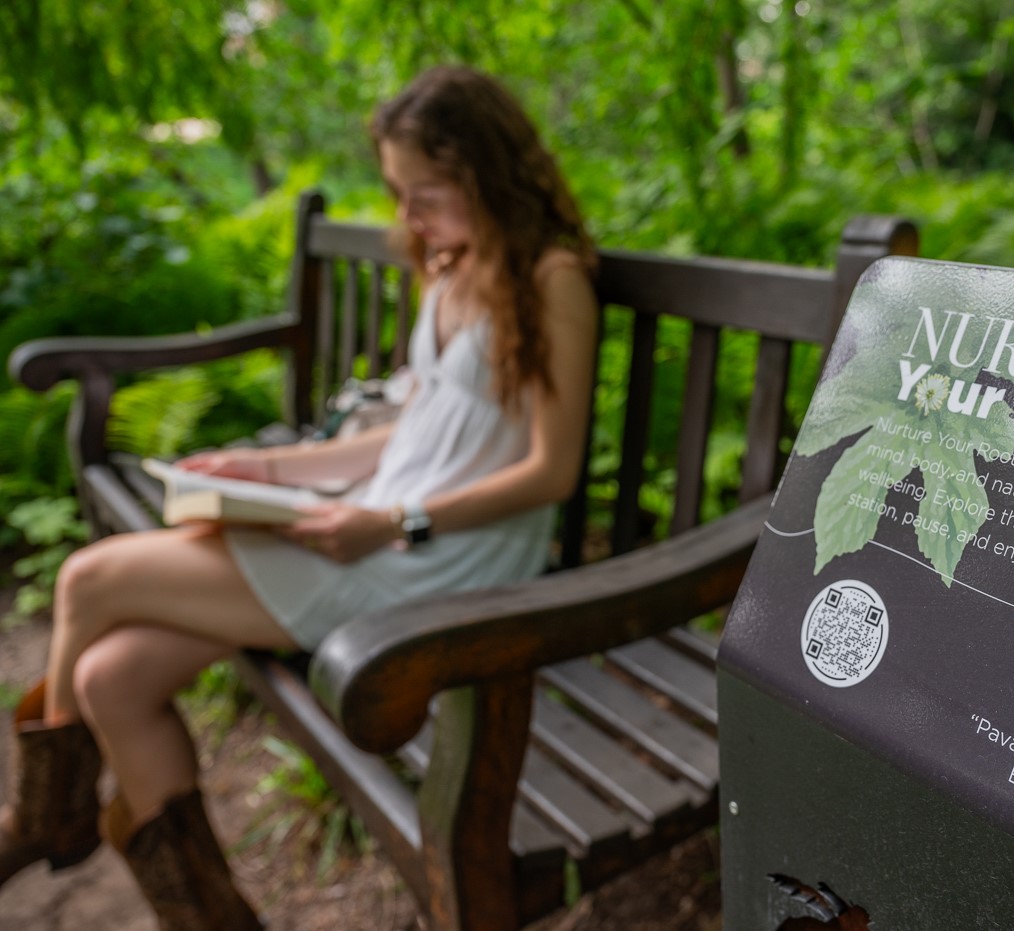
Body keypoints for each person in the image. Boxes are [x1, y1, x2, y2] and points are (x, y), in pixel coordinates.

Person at [0, 65, 598, 928]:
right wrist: (271, 472)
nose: (409, 217)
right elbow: (415, 435)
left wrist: (392, 520)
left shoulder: (552, 280)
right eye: (398, 193)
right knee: (111, 676)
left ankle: (42, 816)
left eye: (425, 193)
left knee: (87, 582)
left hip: (437, 562)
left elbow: (552, 471)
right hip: (374, 525)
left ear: (486, 171)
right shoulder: (452, 262)